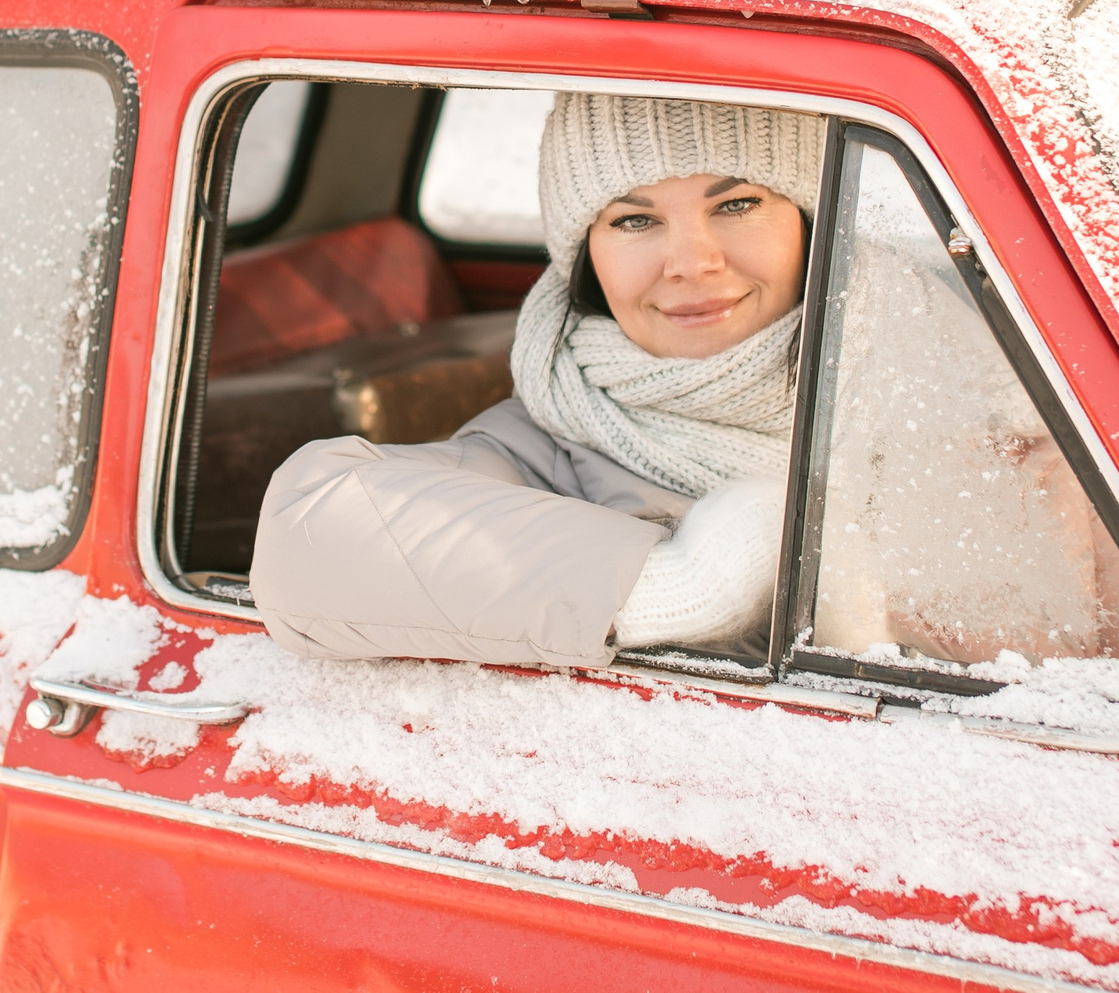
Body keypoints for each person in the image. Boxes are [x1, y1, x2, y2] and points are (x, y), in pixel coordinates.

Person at [250, 94, 824, 667]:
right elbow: (308, 535)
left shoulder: (879, 388)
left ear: (810, 219)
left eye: (738, 204)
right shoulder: (539, 449)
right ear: (586, 253)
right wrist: (680, 587)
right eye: (635, 220)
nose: (692, 262)